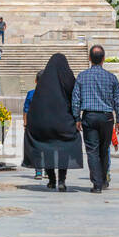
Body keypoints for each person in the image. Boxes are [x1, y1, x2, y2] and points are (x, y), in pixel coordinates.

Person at [23, 52, 83, 190]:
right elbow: (74, 98)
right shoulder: (68, 77)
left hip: (45, 122)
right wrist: (76, 118)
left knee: (47, 149)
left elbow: (35, 104)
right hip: (64, 121)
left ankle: (51, 180)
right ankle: (61, 180)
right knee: (64, 150)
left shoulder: (44, 79)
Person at [71, 44, 119, 193]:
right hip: (107, 117)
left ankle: (97, 183)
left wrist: (77, 118)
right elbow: (118, 100)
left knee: (92, 151)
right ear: (103, 59)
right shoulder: (111, 77)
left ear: (89, 58)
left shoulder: (82, 76)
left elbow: (76, 99)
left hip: (89, 116)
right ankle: (103, 179)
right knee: (103, 149)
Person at [23, 73, 43, 178]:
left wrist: (25, 124)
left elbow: (26, 110)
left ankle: (39, 171)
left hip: (34, 124)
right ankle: (49, 172)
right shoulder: (51, 94)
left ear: (35, 81)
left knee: (37, 148)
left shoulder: (31, 94)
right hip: (48, 124)